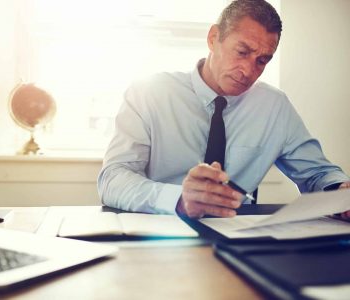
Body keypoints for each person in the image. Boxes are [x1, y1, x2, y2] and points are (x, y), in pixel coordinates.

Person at [97, 0, 350, 219]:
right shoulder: (149, 92)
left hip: (239, 237)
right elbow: (113, 179)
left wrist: (340, 192)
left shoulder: (274, 107)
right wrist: (178, 200)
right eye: (242, 52)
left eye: (262, 60)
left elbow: (318, 174)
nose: (249, 70)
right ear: (213, 38)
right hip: (160, 233)